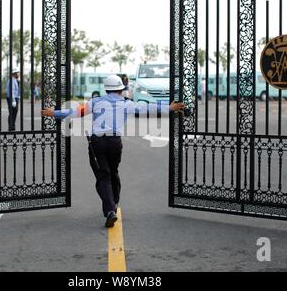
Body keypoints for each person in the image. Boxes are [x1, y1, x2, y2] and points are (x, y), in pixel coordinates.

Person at [41, 75, 185, 228]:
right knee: (113, 171)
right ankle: (114, 202)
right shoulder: (126, 103)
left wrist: (54, 113)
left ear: (106, 89)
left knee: (103, 175)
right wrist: (169, 107)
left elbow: (76, 112)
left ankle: (110, 210)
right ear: (121, 90)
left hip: (97, 142)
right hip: (114, 143)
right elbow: (147, 107)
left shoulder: (95, 102)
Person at [6, 67, 21, 131]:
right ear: (14, 73)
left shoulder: (15, 80)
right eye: (18, 73)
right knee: (12, 113)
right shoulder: (12, 80)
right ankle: (11, 127)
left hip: (14, 98)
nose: (18, 74)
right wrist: (13, 100)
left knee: (14, 112)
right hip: (12, 99)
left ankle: (12, 126)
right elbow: (11, 91)